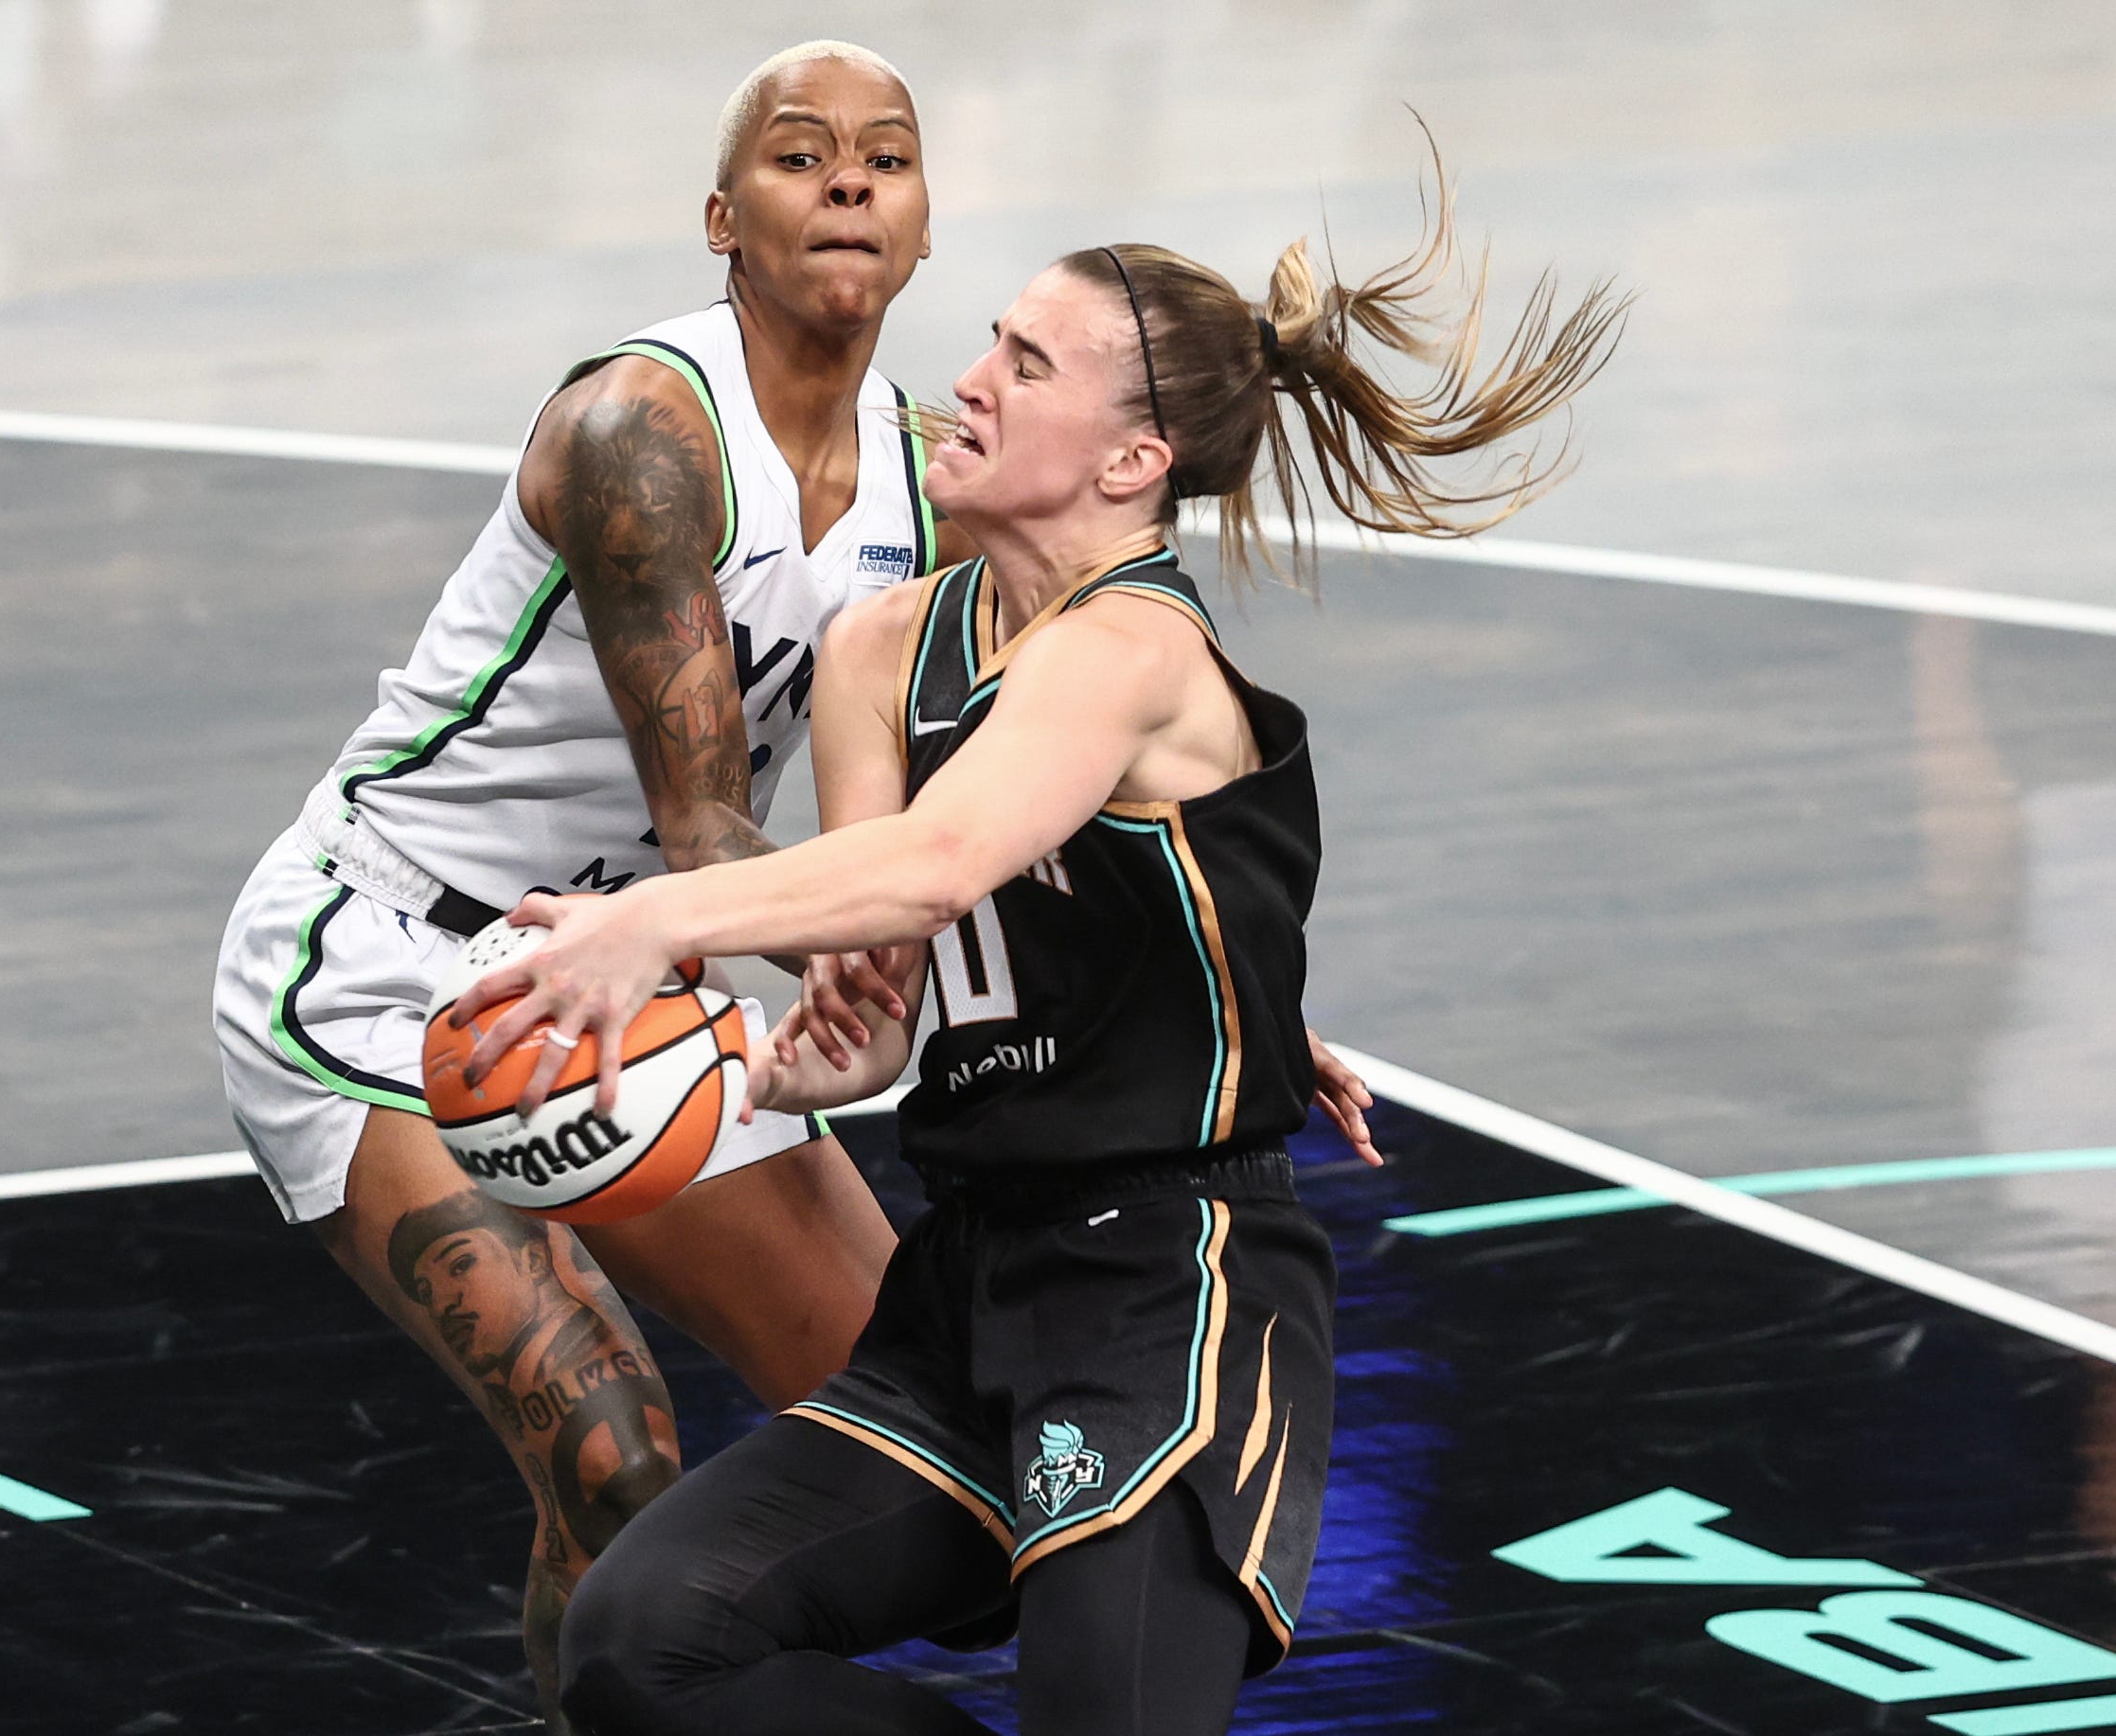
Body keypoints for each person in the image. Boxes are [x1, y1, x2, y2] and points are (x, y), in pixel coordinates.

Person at [216, 37, 1377, 1720]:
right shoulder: (648, 438)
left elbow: (1030, 813)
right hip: (403, 964)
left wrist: (1235, 1005)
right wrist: (748, 969)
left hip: (654, 975)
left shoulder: (949, 489)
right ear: (719, 218)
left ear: (917, 231)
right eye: (799, 154)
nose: (846, 180)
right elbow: (752, 850)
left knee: (967, 1541)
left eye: (886, 159)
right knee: (614, 1456)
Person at [451, 155, 1625, 1734]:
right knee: (643, 1642)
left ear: (1135, 456)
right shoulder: (888, 646)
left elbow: (934, 859)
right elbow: (888, 968)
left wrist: (652, 916)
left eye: (1025, 362)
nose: (967, 381)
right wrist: (812, 1052)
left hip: (1168, 1289)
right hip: (964, 1290)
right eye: (989, 341)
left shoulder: (1132, 651)